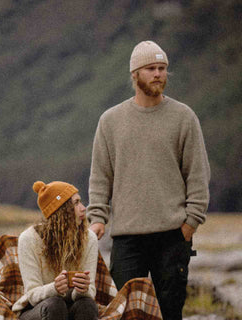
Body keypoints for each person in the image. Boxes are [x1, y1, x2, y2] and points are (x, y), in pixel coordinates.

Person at [87, 40, 211, 320]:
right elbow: (100, 177)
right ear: (135, 74)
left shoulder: (184, 117)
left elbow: (198, 175)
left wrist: (191, 223)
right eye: (151, 68)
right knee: (124, 313)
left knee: (170, 312)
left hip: (172, 236)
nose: (158, 74)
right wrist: (97, 218)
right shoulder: (110, 121)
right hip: (127, 237)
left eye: (163, 68)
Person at [13, 180, 99, 320]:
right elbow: (33, 295)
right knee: (55, 305)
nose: (84, 208)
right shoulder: (28, 239)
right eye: (76, 203)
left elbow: (91, 292)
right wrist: (55, 289)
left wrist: (82, 290)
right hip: (37, 310)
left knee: (87, 305)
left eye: (81, 202)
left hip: (72, 306)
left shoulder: (89, 238)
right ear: (61, 211)